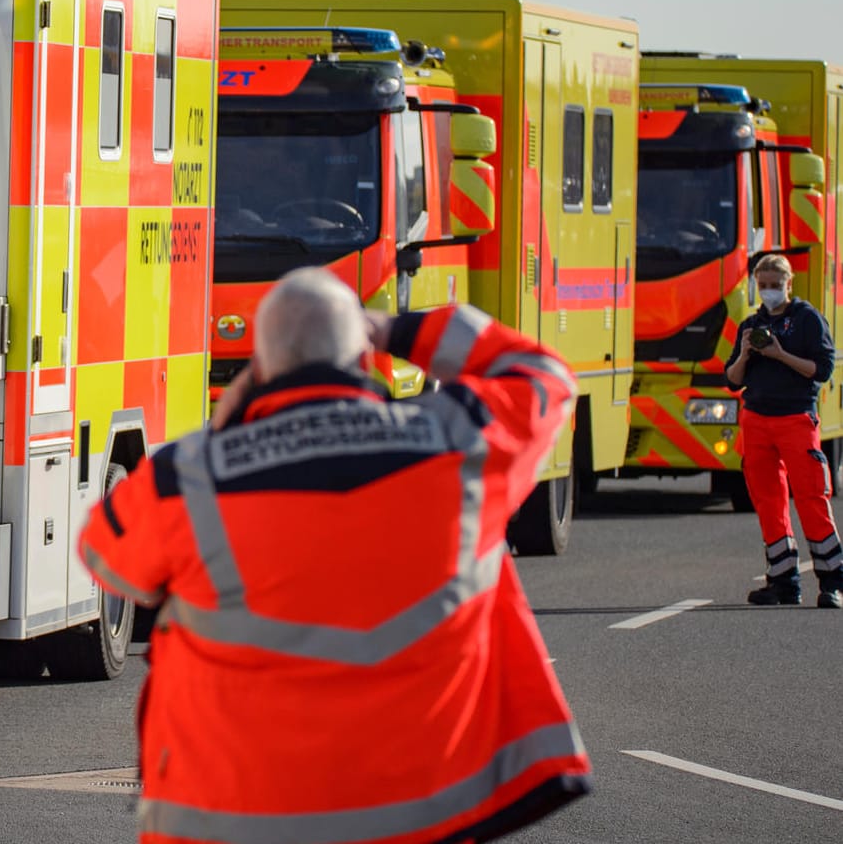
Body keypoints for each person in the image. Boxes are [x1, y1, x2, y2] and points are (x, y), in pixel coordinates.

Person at [78, 268, 590, 844]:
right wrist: (396, 330)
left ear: (261, 372)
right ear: (366, 361)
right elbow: (545, 374)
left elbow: (108, 559)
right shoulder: (457, 442)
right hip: (426, 813)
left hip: (234, 820)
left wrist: (226, 427)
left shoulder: (190, 478)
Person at [726, 253, 841, 608]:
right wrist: (746, 353)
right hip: (757, 419)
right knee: (769, 501)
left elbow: (821, 370)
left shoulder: (807, 320)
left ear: (789, 284)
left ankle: (832, 581)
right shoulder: (751, 324)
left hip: (795, 418)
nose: (770, 291)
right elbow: (732, 379)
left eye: (776, 285)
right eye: (764, 285)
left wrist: (779, 354)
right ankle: (783, 581)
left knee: (811, 497)